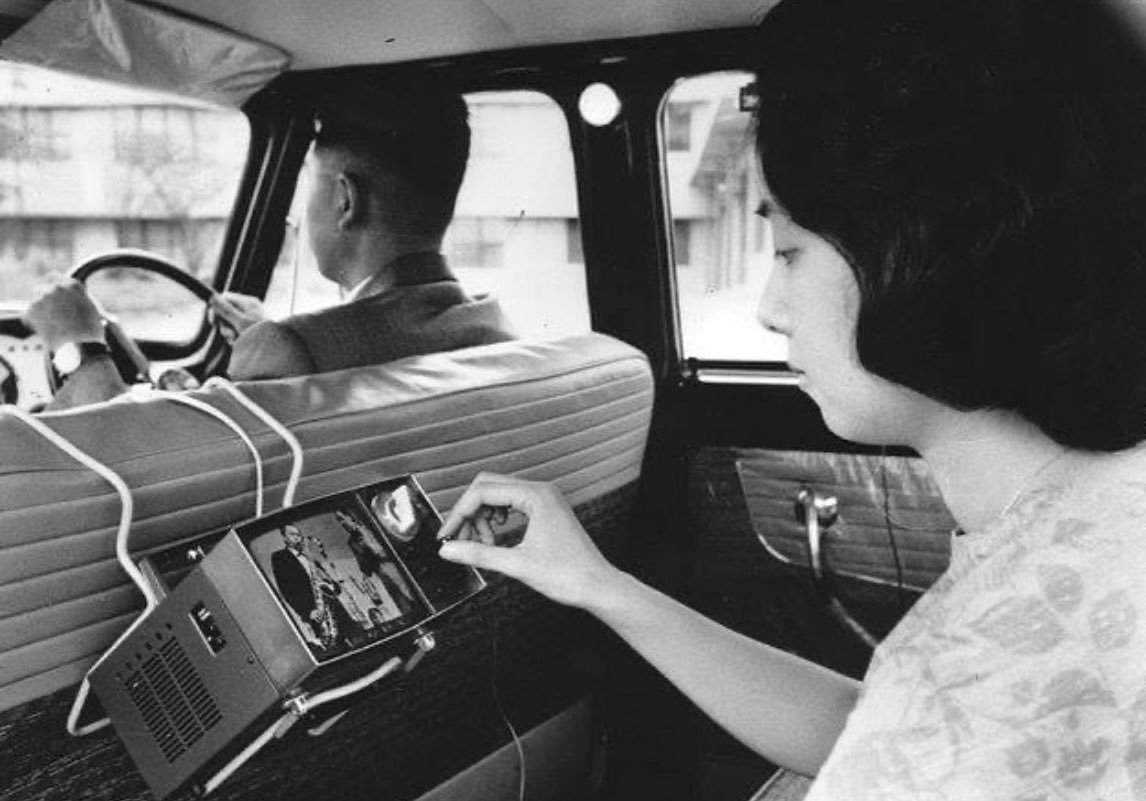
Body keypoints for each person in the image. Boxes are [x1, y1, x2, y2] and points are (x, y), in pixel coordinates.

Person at [437, 0, 1146, 798]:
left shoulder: (977, 680)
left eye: (790, 250)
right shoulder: (1089, 513)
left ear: (919, 253)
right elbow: (873, 723)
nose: (770, 307)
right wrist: (595, 581)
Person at [23, 78, 513, 409]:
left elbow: (144, 481)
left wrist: (79, 347)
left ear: (345, 200)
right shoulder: (493, 327)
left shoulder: (290, 352)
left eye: (307, 185)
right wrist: (277, 340)